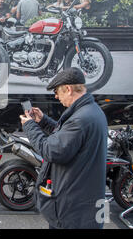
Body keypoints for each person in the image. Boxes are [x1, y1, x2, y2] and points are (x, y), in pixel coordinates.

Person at [20, 67, 107, 229]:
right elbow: (68, 139)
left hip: (74, 210)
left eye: (56, 91)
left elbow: (52, 151)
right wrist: (44, 121)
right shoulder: (91, 111)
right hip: (85, 203)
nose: (55, 96)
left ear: (68, 89)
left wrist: (30, 126)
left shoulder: (80, 119)